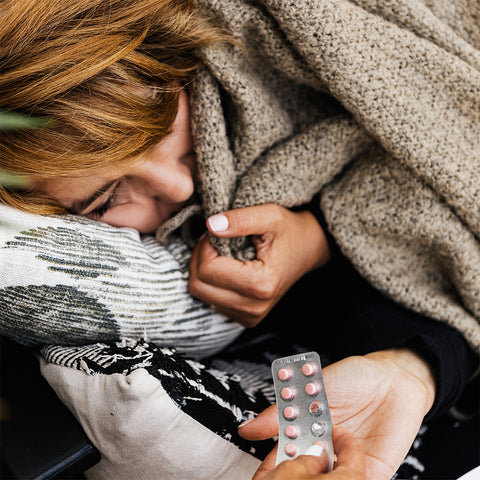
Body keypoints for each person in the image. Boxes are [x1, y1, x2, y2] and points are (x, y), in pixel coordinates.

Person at [1, 1, 478, 479]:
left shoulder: (247, 53)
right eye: (103, 202)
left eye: (161, 126)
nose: (179, 187)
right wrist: (409, 366)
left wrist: (320, 238)